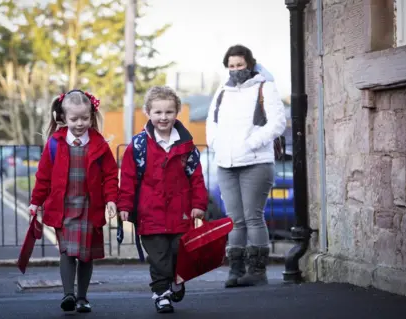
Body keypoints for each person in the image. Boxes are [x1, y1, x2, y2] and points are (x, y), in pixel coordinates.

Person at [117, 86, 209, 313]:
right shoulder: (138, 145)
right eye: (157, 112)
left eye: (168, 112)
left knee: (179, 252)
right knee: (159, 258)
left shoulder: (187, 145)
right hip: (150, 213)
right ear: (148, 113)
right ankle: (161, 295)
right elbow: (128, 178)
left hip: (181, 212)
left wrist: (199, 204)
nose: (163, 117)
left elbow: (196, 177)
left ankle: (177, 279)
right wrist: (125, 206)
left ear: (177, 112)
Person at [28, 90, 119, 313]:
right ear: (63, 118)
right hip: (64, 207)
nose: (80, 123)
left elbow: (109, 176)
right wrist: (35, 201)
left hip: (90, 207)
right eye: (74, 119)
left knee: (86, 254)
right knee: (67, 251)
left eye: (85, 118)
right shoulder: (54, 144)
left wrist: (111, 200)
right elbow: (43, 176)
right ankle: (68, 294)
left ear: (92, 116)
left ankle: (82, 298)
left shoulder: (100, 144)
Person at [206, 44, 286, 288]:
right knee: (235, 220)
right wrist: (216, 144)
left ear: (250, 64)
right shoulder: (222, 90)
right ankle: (235, 270)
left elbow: (278, 123)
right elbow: (212, 122)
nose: (235, 70)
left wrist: (251, 144)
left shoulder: (265, 87)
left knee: (253, 217)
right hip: (226, 164)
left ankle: (257, 271)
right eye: (231, 66)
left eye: (240, 65)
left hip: (255, 162)